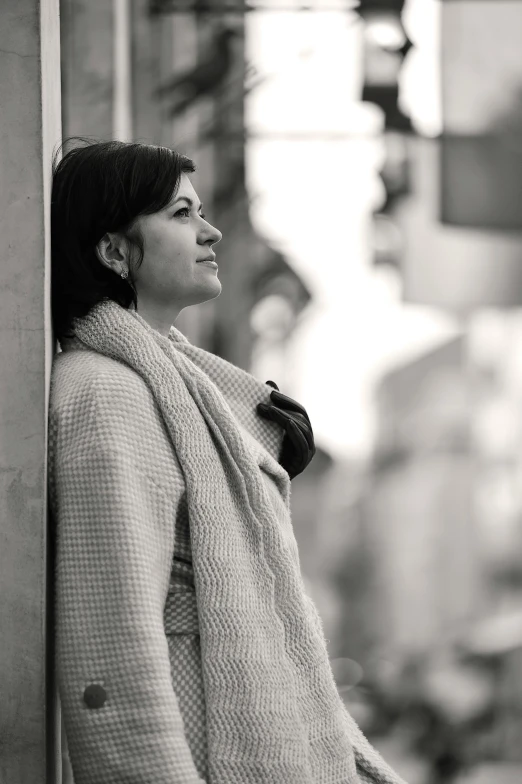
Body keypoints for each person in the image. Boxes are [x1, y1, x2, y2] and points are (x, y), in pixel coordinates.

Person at [48, 138, 408, 784]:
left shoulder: (176, 386)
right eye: (180, 215)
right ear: (113, 251)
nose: (210, 231)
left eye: (200, 210)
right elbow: (113, 642)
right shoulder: (105, 396)